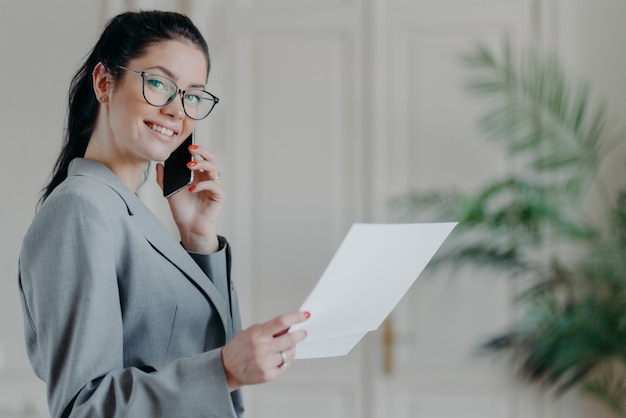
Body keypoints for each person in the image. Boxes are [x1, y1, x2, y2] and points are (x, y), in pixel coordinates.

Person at [18, 10, 309, 418]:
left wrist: (199, 238)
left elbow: (201, 349)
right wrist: (224, 369)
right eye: (159, 83)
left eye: (193, 95)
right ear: (104, 83)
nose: (178, 111)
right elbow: (83, 408)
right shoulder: (81, 209)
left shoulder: (129, 212)